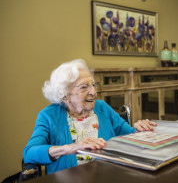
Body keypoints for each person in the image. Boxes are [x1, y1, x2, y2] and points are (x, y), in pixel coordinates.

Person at [23, 59, 157, 174]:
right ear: (64, 95)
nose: (93, 92)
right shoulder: (48, 116)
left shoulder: (102, 107)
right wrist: (69, 148)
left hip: (110, 176)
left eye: (93, 85)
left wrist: (140, 131)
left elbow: (131, 137)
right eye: (84, 87)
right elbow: (29, 153)